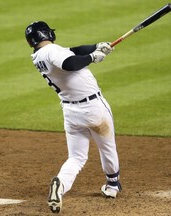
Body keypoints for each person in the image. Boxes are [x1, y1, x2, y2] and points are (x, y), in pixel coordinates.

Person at [25, 21, 122, 214]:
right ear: (46, 34)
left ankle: (59, 185)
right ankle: (112, 186)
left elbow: (73, 51)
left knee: (76, 157)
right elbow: (69, 63)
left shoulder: (39, 56)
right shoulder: (52, 51)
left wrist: (96, 46)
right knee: (107, 147)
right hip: (94, 108)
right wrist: (93, 57)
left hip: (71, 113)